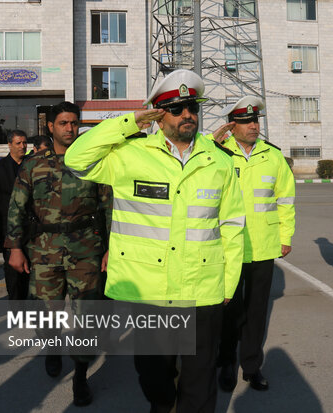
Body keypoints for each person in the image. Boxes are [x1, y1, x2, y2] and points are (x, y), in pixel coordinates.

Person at [64, 69, 245, 413]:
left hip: (202, 287)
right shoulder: (129, 155)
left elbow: (232, 224)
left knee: (199, 377)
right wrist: (129, 122)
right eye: (177, 109)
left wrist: (229, 282)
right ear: (159, 117)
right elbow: (76, 158)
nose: (188, 115)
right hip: (149, 290)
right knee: (153, 375)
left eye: (192, 107)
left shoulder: (218, 160)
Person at [4, 101, 110, 407]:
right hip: (44, 250)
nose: (70, 128)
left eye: (74, 123)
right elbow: (16, 207)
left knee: (86, 316)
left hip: (86, 250)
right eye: (64, 123)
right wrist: (14, 248)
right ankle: (52, 349)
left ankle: (80, 374)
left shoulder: (93, 161)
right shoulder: (32, 164)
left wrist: (111, 249)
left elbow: (108, 206)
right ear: (51, 127)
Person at [211, 96, 295, 393]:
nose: (254, 126)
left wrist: (285, 237)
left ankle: (251, 366)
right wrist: (212, 143)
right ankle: (225, 364)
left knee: (257, 311)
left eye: (255, 120)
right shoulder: (218, 153)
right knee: (228, 311)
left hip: (263, 247)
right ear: (232, 126)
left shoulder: (272, 156)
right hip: (228, 248)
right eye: (246, 122)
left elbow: (285, 199)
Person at [0, 129, 28, 300]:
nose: (22, 146)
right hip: (6, 226)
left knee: (30, 265)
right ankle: (16, 304)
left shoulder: (31, 165)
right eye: (18, 143)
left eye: (24, 143)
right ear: (10, 145)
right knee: (12, 267)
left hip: (30, 225)